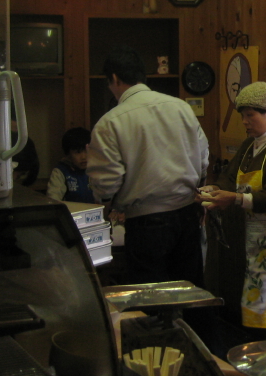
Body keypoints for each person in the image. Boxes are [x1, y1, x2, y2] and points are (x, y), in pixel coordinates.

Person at [86, 45, 210, 288]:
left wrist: (110, 206)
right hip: (187, 215)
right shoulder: (181, 107)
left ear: (114, 78)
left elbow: (106, 182)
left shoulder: (110, 122)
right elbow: (203, 158)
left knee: (151, 297)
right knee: (191, 294)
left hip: (145, 223)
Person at [197, 81, 266, 342]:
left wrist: (236, 198)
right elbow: (229, 179)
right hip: (247, 238)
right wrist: (214, 189)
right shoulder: (249, 146)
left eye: (250, 115)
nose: (244, 122)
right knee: (263, 306)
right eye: (243, 116)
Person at [47, 127, 95, 203]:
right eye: (77, 152)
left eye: (87, 151)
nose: (83, 157)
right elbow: (53, 200)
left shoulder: (97, 169)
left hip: (97, 210)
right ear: (68, 154)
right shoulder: (60, 172)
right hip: (70, 210)